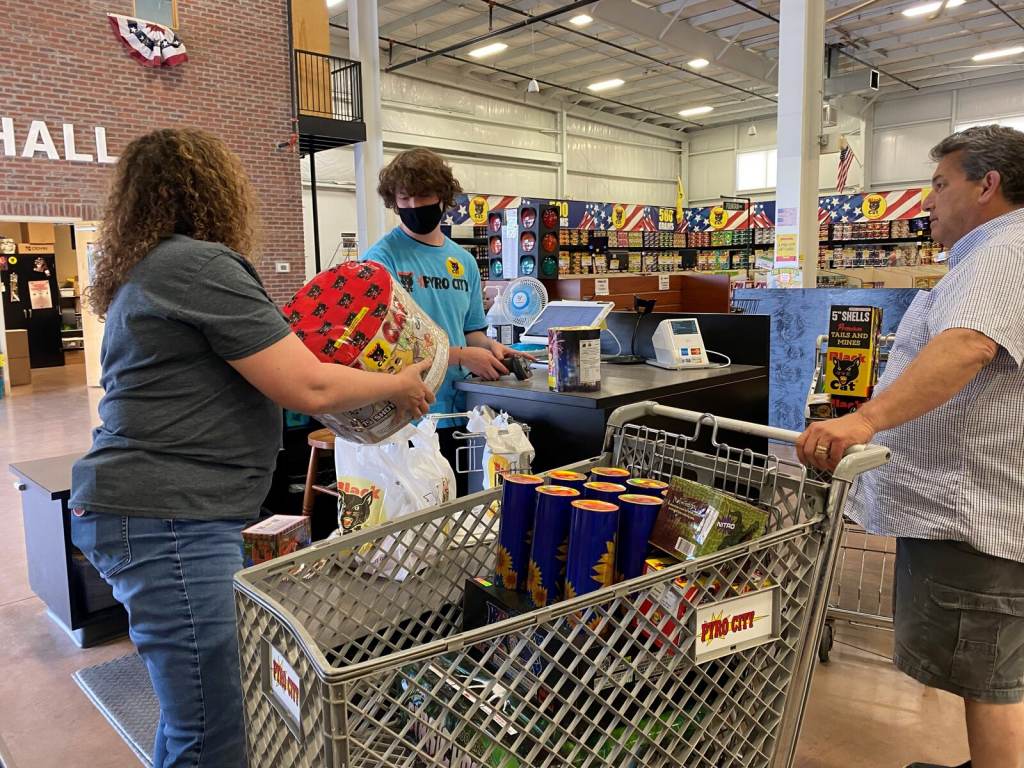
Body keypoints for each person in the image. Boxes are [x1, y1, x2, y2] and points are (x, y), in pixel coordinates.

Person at [69, 127, 434, 768]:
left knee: (198, 715)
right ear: (215, 191)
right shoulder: (197, 265)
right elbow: (307, 384)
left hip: (161, 512)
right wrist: (398, 383)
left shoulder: (152, 270)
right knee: (220, 726)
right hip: (169, 516)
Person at [798, 125, 1024, 768]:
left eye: (939, 183)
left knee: (992, 678)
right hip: (971, 508)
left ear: (988, 185)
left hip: (974, 515)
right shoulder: (992, 253)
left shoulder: (1004, 252)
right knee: (991, 664)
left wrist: (865, 422)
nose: (926, 200)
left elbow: (967, 345)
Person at [362, 147, 528, 492]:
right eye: (403, 198)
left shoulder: (463, 262)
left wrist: (496, 350)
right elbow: (386, 351)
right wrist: (462, 356)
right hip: (407, 420)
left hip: (459, 413)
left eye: (422, 196)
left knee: (461, 511)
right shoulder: (380, 261)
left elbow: (473, 333)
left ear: (443, 197)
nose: (411, 207)